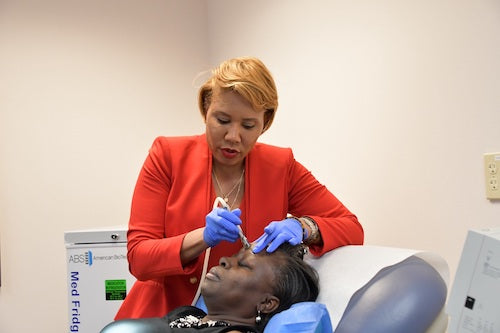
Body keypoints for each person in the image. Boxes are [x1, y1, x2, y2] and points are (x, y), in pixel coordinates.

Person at [115, 56, 363, 319]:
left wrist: (304, 227)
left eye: (248, 126)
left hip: (234, 321)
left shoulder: (281, 167)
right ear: (205, 110)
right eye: (222, 120)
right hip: (160, 315)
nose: (233, 137)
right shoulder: (168, 156)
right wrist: (202, 238)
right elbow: (139, 258)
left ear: (264, 123)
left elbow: (351, 227)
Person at [104, 243, 319, 333]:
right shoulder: (189, 313)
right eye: (235, 257)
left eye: (243, 265)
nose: (225, 260)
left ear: (266, 303)